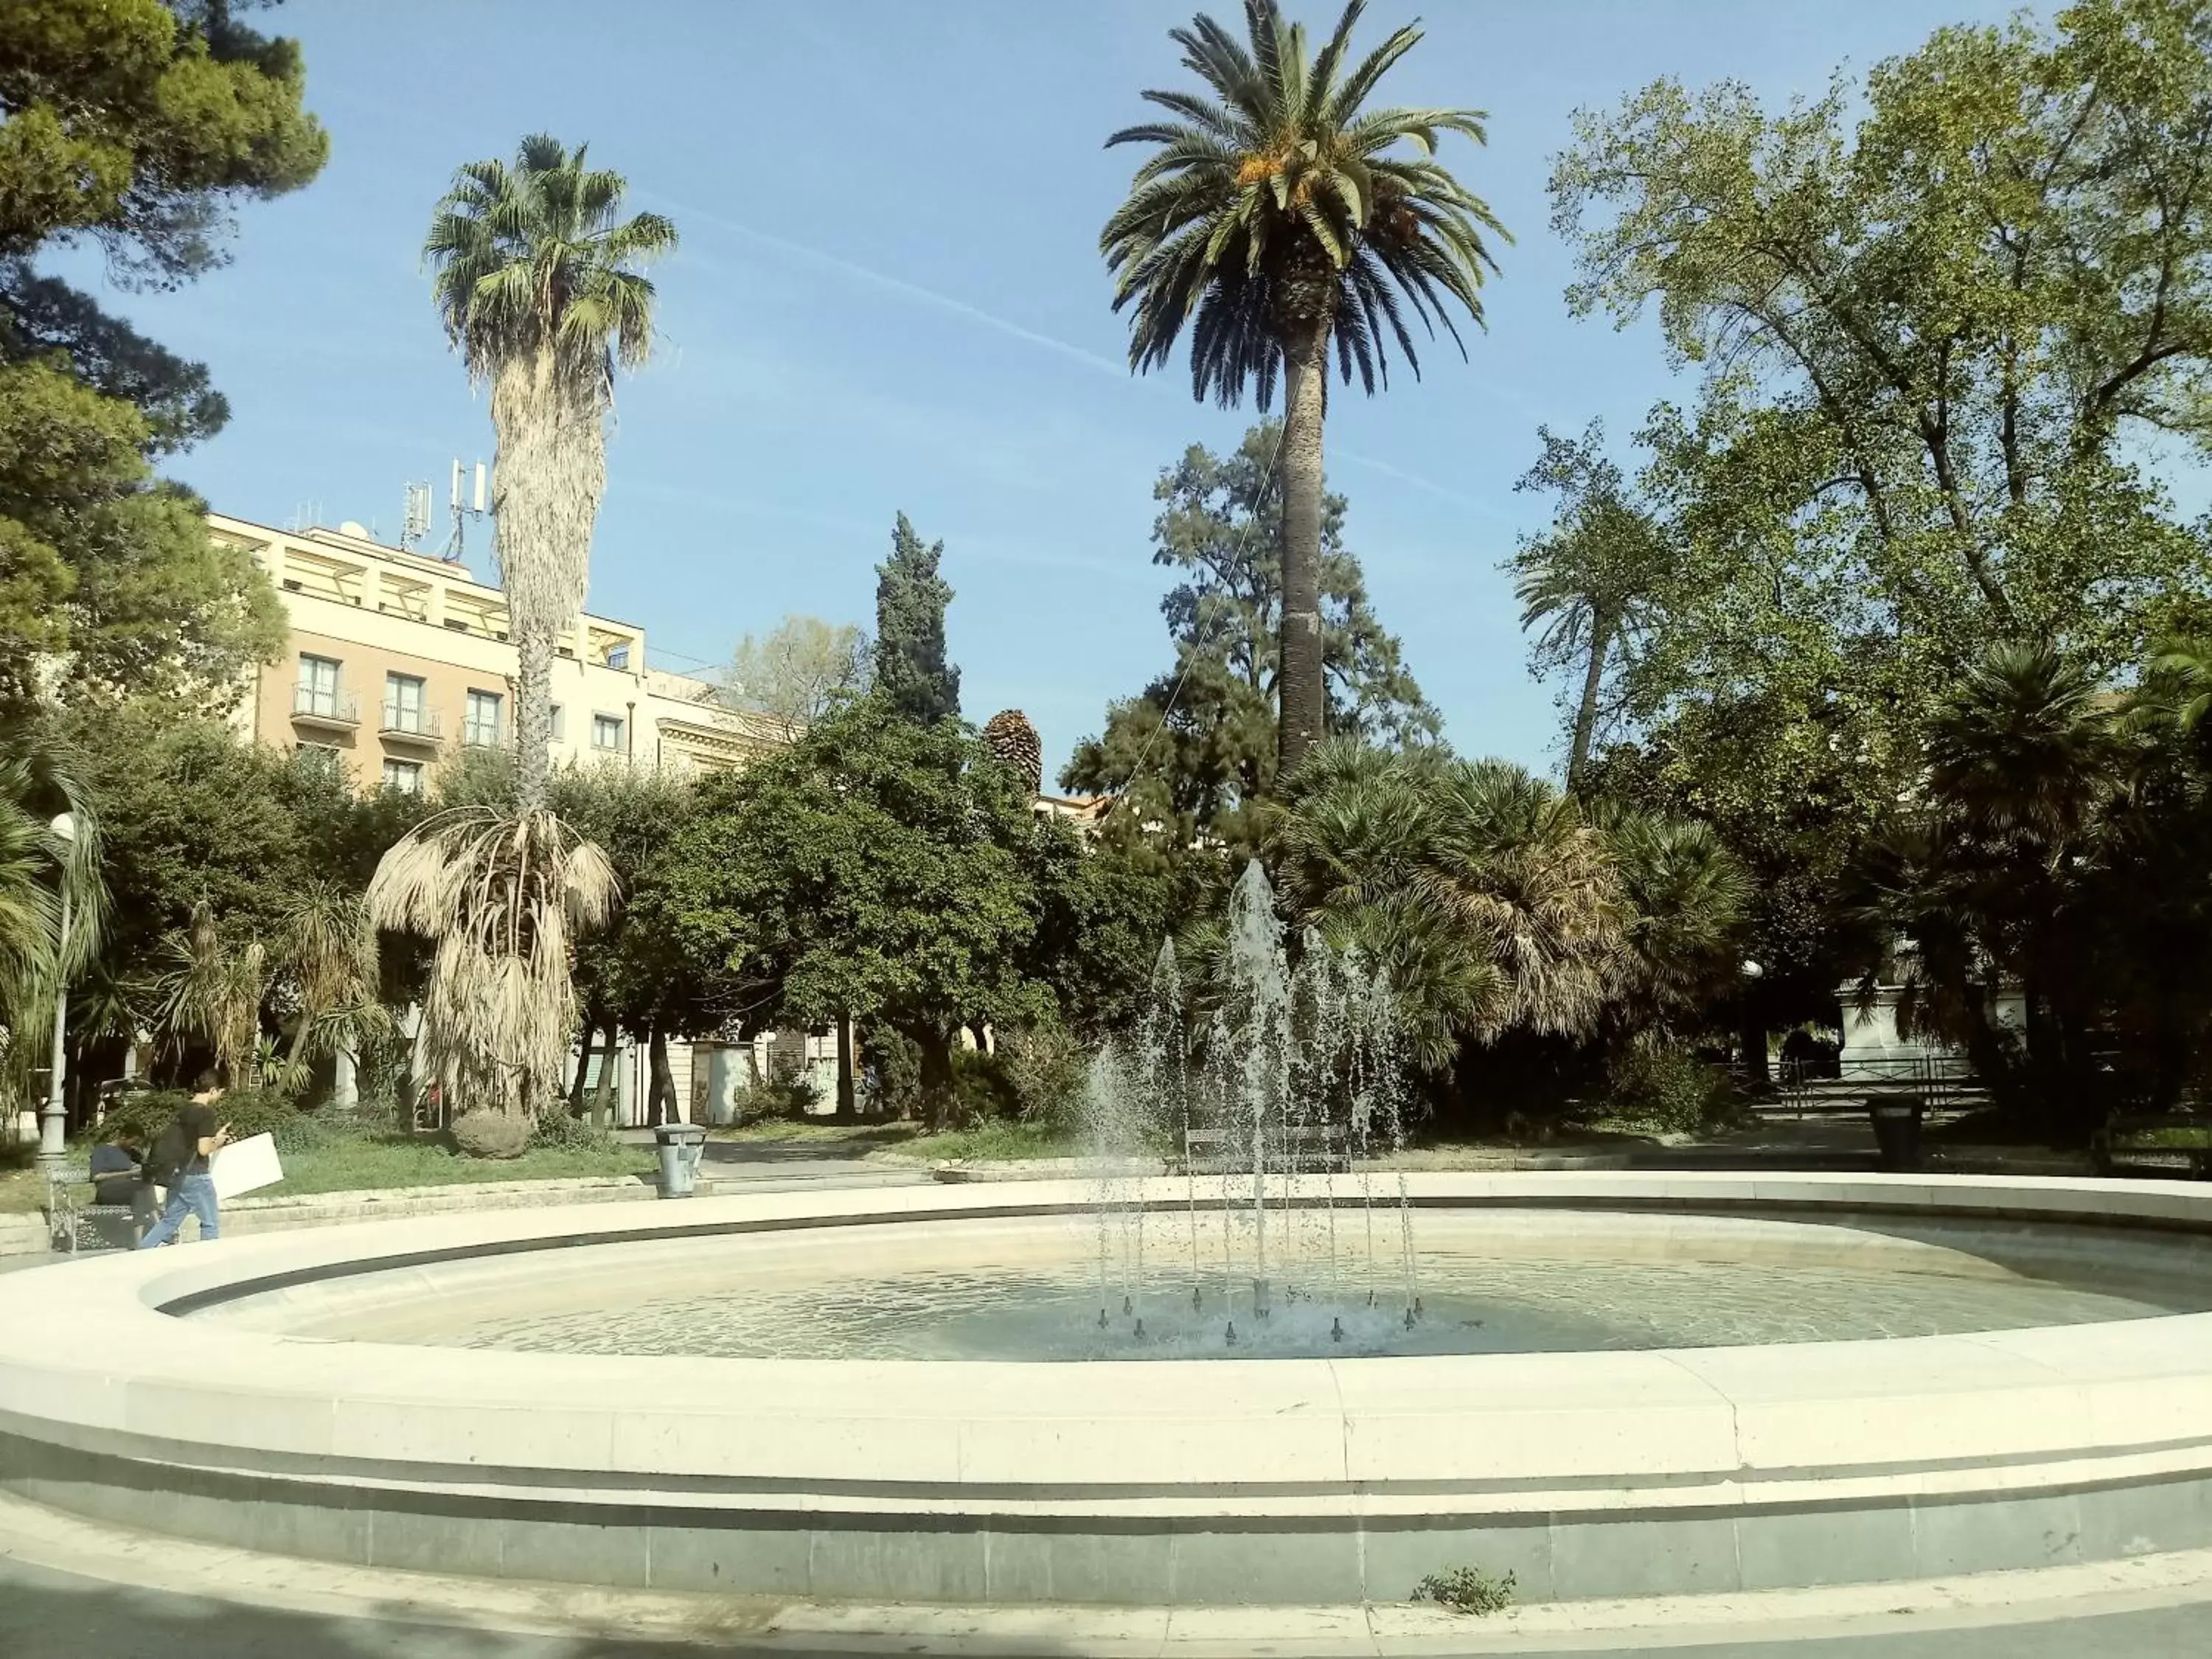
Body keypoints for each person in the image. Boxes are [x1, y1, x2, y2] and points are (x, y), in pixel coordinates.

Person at [136, 1074, 232, 1249]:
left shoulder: (183, 1109)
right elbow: (203, 1149)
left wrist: (213, 1137)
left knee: (170, 1221)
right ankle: (207, 1263)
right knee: (210, 1223)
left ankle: (141, 1252)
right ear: (212, 1090)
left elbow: (188, 1141)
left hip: (176, 1173)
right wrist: (219, 1141)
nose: (219, 1098)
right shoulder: (206, 1112)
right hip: (196, 1174)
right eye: (220, 1093)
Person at [88, 1127, 158, 1241]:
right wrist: (129, 1173)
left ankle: (139, 1241)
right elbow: (96, 1177)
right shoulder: (102, 1149)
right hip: (107, 1191)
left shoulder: (133, 1153)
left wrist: (146, 1169)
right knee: (142, 1189)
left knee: (141, 1193)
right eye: (133, 1142)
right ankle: (159, 1227)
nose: (134, 1145)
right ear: (123, 1137)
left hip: (132, 1191)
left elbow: (145, 1170)